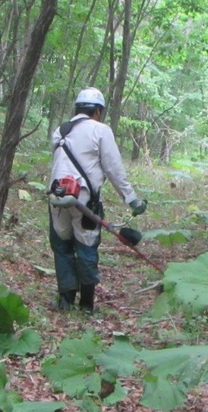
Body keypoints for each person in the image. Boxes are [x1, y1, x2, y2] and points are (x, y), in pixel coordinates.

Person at [48, 87, 147, 312]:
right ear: (98, 111)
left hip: (56, 197)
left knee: (62, 247)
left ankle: (65, 300)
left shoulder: (60, 130)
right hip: (84, 201)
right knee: (86, 246)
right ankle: (86, 304)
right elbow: (113, 168)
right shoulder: (101, 130)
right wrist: (131, 199)